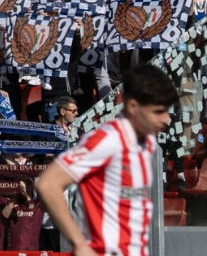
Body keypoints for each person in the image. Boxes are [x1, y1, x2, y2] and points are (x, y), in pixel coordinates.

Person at [36, 63, 178, 256]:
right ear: (134, 107)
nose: (165, 119)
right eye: (158, 111)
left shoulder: (146, 146)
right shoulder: (107, 140)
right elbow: (48, 184)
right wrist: (80, 244)